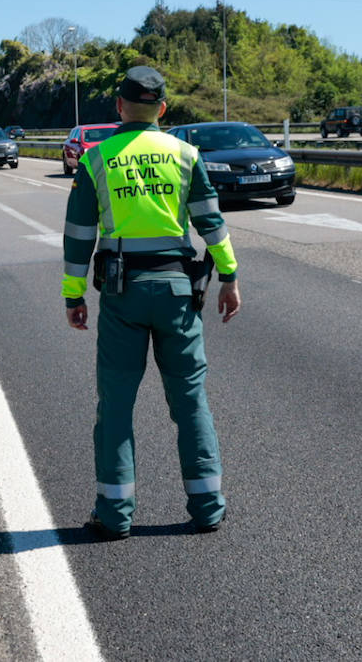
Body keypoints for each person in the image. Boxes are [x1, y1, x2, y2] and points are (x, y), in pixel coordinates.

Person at [61, 65, 241, 541]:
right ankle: (207, 508)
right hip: (179, 292)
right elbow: (210, 221)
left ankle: (116, 515)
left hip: (122, 296)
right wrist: (229, 275)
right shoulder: (185, 154)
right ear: (162, 109)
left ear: (119, 107)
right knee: (190, 401)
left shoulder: (96, 159)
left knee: (116, 404)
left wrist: (73, 294)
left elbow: (79, 236)